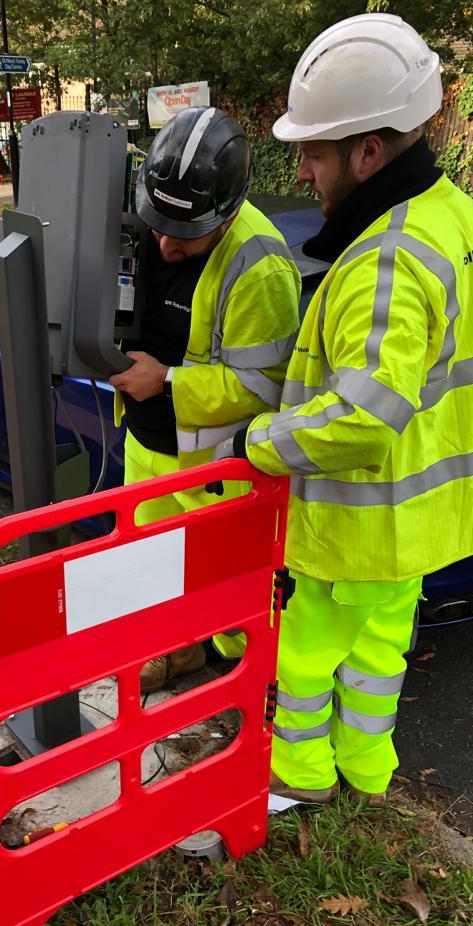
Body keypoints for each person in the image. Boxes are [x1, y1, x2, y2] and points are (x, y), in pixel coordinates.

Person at [222, 13, 473, 803]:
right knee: (380, 650)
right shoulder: (458, 218)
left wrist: (261, 439)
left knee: (304, 656)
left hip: (363, 513)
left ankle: (301, 775)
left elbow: (363, 416)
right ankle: (368, 769)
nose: (303, 171)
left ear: (369, 152)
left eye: (313, 151)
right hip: (425, 513)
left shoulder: (388, 259)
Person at [109, 106, 302, 692]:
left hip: (214, 467)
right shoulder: (156, 221)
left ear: (227, 214)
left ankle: (249, 688)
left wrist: (165, 380)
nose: (164, 243)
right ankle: (179, 652)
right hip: (147, 444)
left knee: (228, 593)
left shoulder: (260, 267)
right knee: (152, 572)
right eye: (157, 225)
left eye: (185, 235)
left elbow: (259, 387)